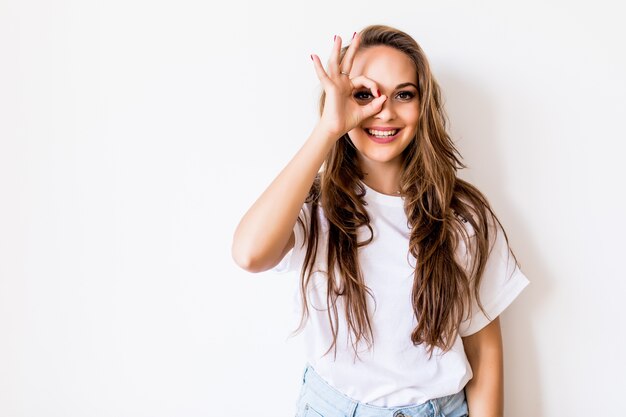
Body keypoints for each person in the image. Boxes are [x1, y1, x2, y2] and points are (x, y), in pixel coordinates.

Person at [232, 24, 529, 417]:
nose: (383, 110)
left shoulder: (464, 215)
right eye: (363, 95)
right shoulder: (315, 205)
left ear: (423, 106)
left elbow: (483, 345)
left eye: (403, 94)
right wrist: (328, 129)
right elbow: (249, 254)